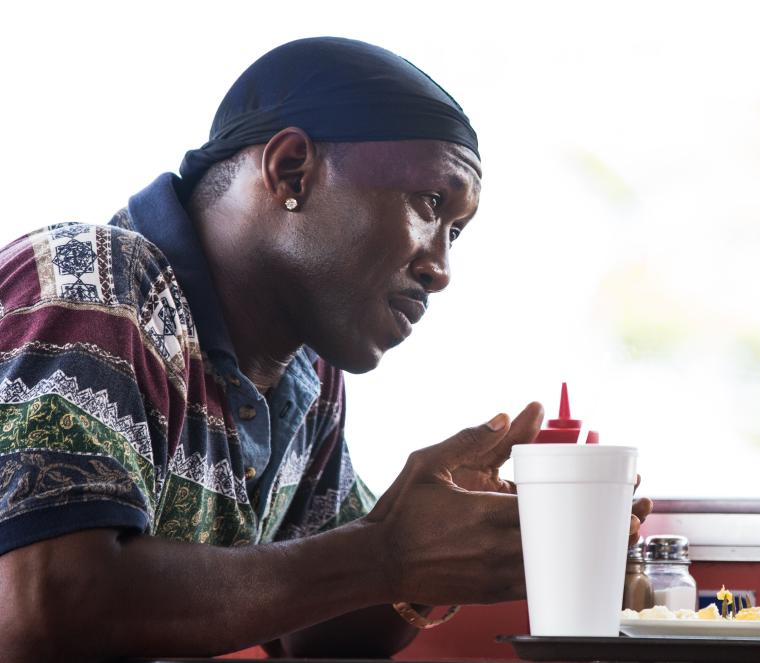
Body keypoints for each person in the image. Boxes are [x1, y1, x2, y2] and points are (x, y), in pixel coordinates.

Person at [0, 37, 651, 661]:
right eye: (431, 202)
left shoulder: (307, 378)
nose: (442, 267)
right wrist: (384, 553)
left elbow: (314, 629)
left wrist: (436, 555)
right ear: (292, 170)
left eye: (458, 232)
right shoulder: (94, 280)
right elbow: (42, 602)